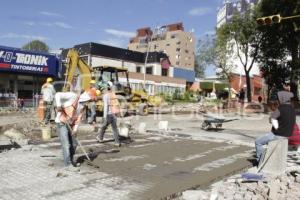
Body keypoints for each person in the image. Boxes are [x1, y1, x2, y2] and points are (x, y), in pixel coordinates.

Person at [254, 88, 296, 165]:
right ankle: (266, 158)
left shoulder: (281, 108)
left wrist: (275, 125)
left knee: (258, 142)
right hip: (288, 134)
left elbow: (271, 119)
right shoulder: (292, 109)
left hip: (278, 135)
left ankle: (260, 162)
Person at [55, 90, 92, 171]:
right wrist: (58, 105)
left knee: (74, 144)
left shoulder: (82, 108)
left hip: (71, 124)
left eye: (88, 102)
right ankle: (67, 165)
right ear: (84, 99)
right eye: (87, 101)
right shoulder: (73, 96)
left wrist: (75, 130)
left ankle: (70, 160)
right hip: (61, 122)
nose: (87, 103)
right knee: (66, 144)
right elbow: (58, 94)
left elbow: (78, 120)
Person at [96, 82, 121, 147]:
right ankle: (117, 142)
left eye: (103, 88)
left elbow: (106, 106)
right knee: (115, 129)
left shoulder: (106, 96)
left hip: (109, 114)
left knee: (103, 127)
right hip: (114, 114)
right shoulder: (113, 94)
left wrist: (104, 116)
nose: (103, 90)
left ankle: (100, 138)